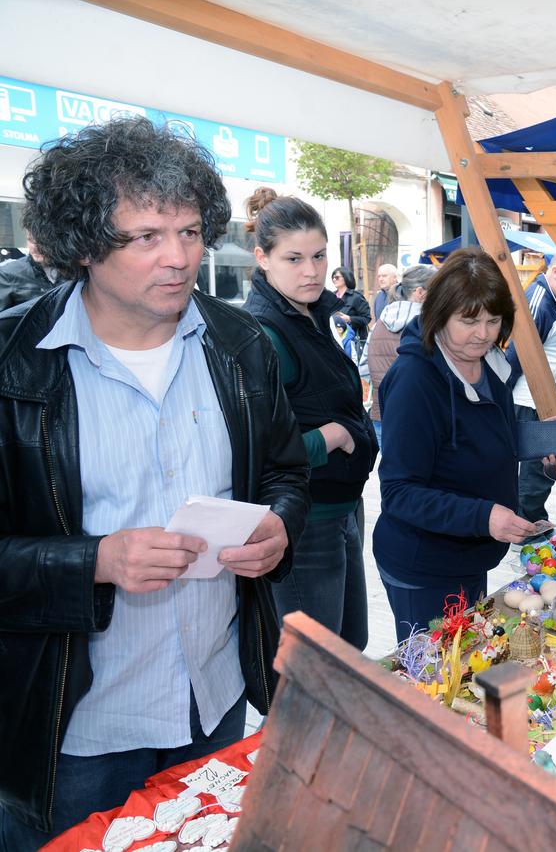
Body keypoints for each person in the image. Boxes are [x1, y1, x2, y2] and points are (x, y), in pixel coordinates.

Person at [0, 116, 310, 848]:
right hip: (73, 729)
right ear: (83, 245)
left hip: (214, 701)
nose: (179, 257)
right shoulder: (15, 363)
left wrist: (280, 524)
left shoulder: (239, 346)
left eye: (192, 231)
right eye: (146, 237)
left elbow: (284, 471)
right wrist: (95, 561)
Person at [374, 248, 538, 640]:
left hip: (468, 555)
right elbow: (399, 492)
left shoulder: (488, 363)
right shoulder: (415, 379)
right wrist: (484, 517)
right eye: (469, 321)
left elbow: (481, 439)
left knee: (462, 665)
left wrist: (542, 445)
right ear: (439, 314)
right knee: (433, 684)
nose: (483, 333)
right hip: (424, 563)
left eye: (493, 320)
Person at [242, 188, 377, 651]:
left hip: (340, 511)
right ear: (263, 258)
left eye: (319, 256)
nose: (312, 270)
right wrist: (331, 436)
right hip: (305, 522)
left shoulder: (312, 314)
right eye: (294, 259)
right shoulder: (264, 333)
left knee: (348, 647)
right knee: (315, 669)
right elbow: (255, 448)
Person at [506, 254, 556, 525]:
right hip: (529, 399)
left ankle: (530, 518)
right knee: (535, 468)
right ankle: (528, 521)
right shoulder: (539, 298)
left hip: (543, 400)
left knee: (538, 467)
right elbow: (518, 352)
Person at [368, 264, 435, 442]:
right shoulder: (430, 326)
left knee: (391, 469)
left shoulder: (378, 324)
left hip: (381, 412)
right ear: (420, 292)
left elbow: (362, 368)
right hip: (419, 415)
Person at [0, 236, 58, 311]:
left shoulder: (72, 269)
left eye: (42, 241)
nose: (34, 247)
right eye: (30, 240)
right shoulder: (8, 274)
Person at [329, 266, 371, 358]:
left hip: (351, 341)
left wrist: (349, 319)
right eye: (333, 277)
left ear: (346, 278)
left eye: (337, 277)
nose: (334, 279)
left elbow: (367, 318)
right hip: (334, 340)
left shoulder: (356, 297)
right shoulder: (330, 296)